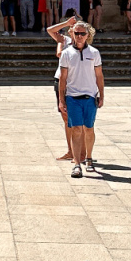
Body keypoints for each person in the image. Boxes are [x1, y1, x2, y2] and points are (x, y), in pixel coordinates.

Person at [58, 19, 104, 179]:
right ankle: (77, 163)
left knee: (89, 129)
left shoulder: (94, 53)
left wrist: (101, 95)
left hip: (90, 96)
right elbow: (62, 78)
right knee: (76, 129)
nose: (78, 36)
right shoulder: (66, 53)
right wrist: (61, 99)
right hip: (72, 97)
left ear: (87, 35)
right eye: (76, 33)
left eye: (82, 34)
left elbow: (99, 75)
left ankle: (89, 158)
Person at [47, 10, 79, 161]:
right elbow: (49, 30)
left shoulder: (83, 43)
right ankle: (71, 150)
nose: (73, 31)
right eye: (72, 29)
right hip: (60, 80)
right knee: (66, 118)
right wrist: (66, 23)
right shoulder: (64, 40)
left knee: (78, 118)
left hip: (76, 81)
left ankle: (80, 151)